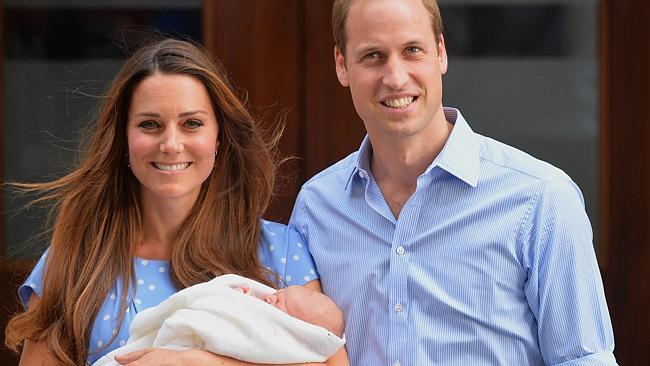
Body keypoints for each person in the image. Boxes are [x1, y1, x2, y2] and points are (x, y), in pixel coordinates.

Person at [289, 0, 617, 365]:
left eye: (412, 50)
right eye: (373, 56)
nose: (396, 78)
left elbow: (584, 359)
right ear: (341, 65)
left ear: (440, 54)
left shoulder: (541, 199)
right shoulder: (316, 207)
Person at [5, 38, 348, 366]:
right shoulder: (76, 259)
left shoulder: (281, 251)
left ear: (218, 138)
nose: (171, 144)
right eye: (150, 124)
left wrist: (197, 362)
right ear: (123, 139)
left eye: (192, 124)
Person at [94, 274, 345, 366]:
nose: (270, 298)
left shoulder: (283, 245)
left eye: (279, 302)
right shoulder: (75, 255)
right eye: (277, 294)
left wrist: (193, 361)